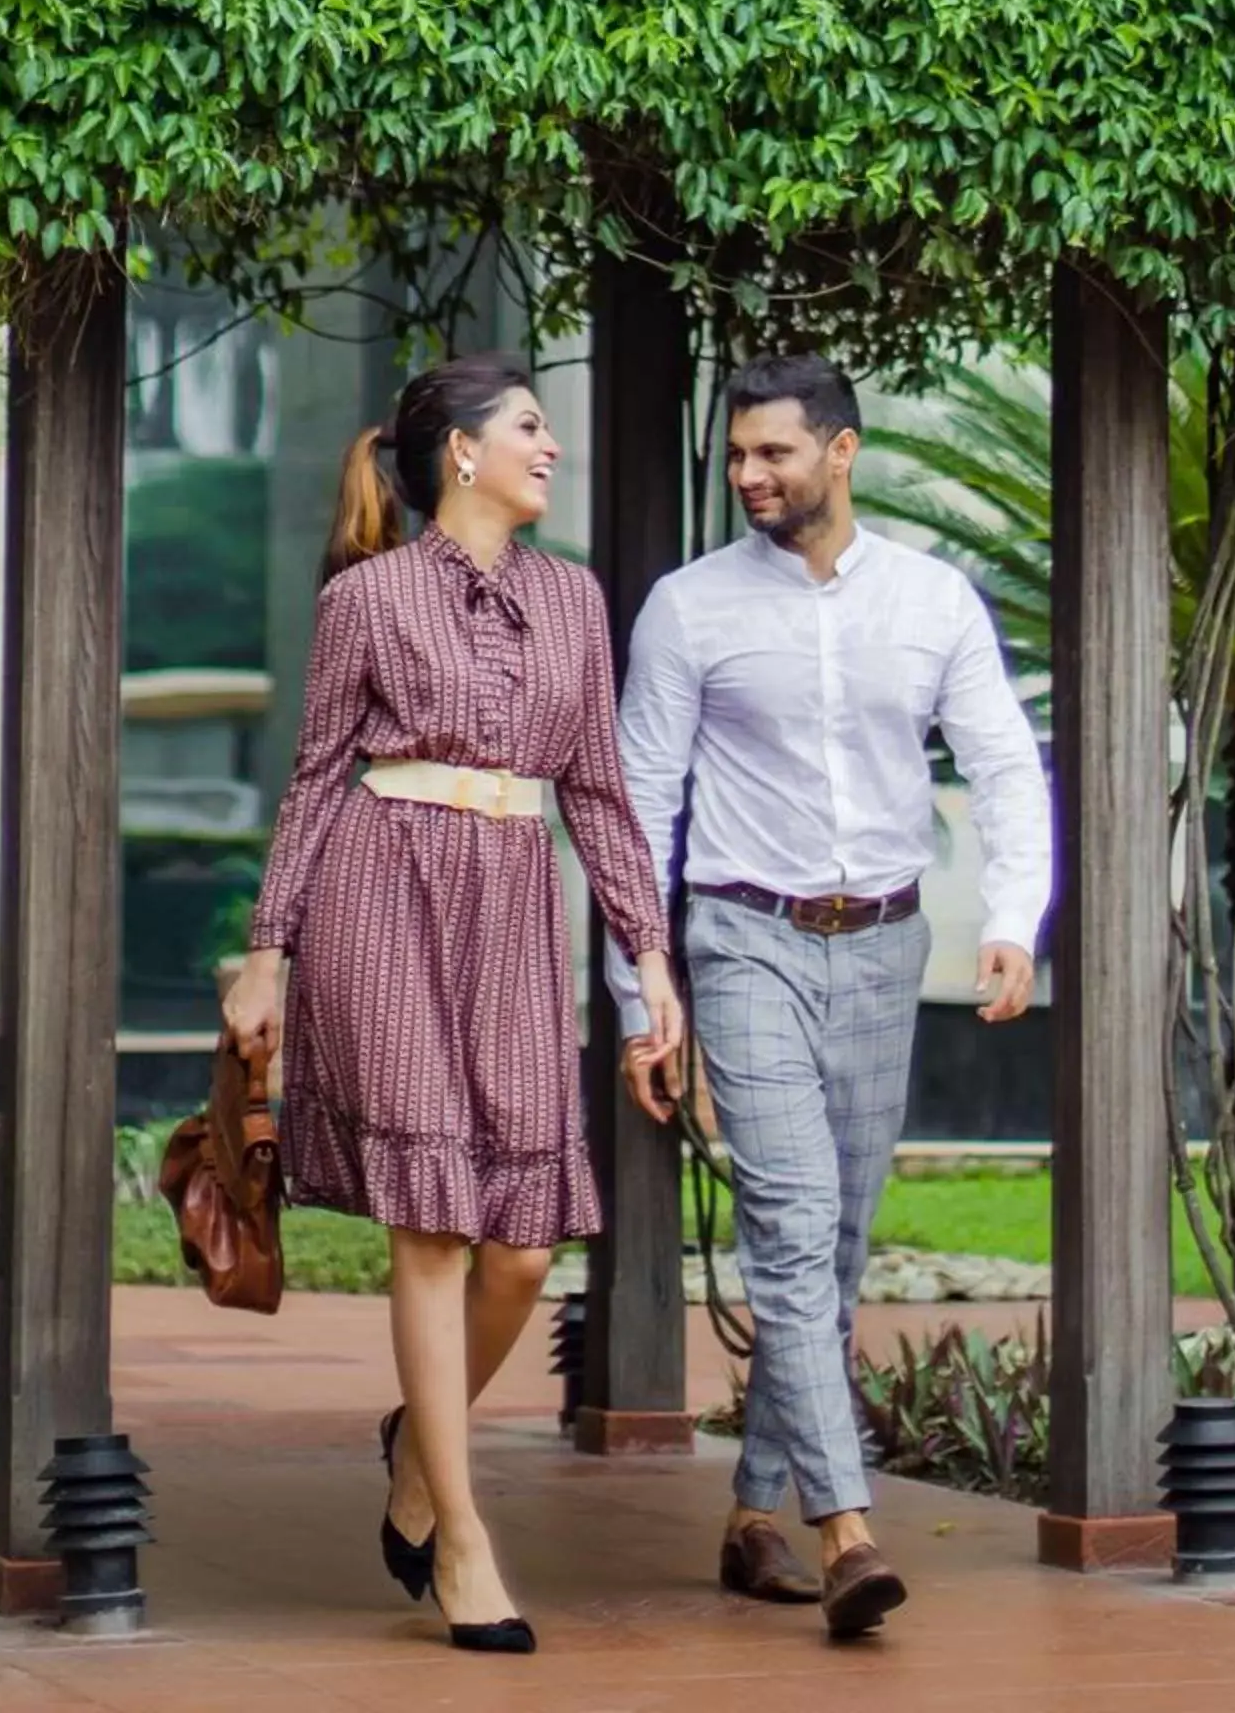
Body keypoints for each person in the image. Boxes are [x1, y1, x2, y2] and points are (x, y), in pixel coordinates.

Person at [221, 350, 684, 1657]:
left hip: (513, 905)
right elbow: (317, 777)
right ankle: (465, 1540)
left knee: (525, 1243)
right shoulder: (367, 597)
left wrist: (648, 955)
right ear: (461, 455)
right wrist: (271, 951)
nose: (550, 447)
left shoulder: (580, 603)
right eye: (528, 428)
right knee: (430, 1225)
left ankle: (421, 1455)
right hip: (384, 897)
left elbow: (596, 788)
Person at [605, 353, 1049, 1640]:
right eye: (738, 455)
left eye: (774, 455)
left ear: (840, 453)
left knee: (838, 1243)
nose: (748, 475)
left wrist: (1013, 920)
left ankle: (752, 1515)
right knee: (793, 1227)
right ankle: (846, 1533)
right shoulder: (688, 610)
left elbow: (1005, 767)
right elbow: (638, 808)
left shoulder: (932, 601)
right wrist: (644, 997)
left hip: (885, 950)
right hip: (743, 939)